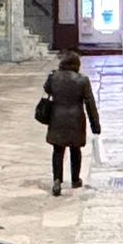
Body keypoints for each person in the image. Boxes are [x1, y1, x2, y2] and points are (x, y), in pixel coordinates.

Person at [42, 51, 101, 196]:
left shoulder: (54, 77)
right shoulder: (82, 80)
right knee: (75, 149)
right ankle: (75, 179)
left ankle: (57, 180)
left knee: (58, 150)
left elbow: (46, 89)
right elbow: (90, 104)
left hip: (57, 117)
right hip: (76, 118)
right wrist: (95, 124)